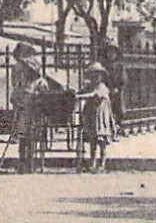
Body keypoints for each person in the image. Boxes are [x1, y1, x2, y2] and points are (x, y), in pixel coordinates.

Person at [11, 43, 67, 174]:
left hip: (35, 110)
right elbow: (14, 92)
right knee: (23, 136)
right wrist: (16, 102)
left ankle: (30, 163)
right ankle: (22, 162)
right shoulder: (21, 84)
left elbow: (45, 92)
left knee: (32, 137)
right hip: (24, 110)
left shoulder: (39, 81)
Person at [76, 63, 117, 173]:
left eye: (97, 75)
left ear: (101, 76)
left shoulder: (102, 87)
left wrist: (80, 97)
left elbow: (94, 95)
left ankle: (102, 163)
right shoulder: (89, 86)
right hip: (92, 116)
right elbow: (83, 92)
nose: (95, 77)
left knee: (101, 142)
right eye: (92, 75)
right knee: (92, 141)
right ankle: (92, 163)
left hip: (101, 117)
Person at [100, 43, 128, 131]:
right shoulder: (103, 65)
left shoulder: (120, 66)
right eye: (108, 52)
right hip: (105, 90)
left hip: (117, 90)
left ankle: (118, 126)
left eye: (113, 52)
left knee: (118, 108)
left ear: (116, 54)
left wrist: (117, 88)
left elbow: (123, 79)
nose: (111, 54)